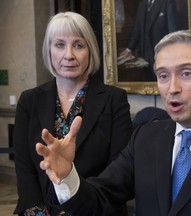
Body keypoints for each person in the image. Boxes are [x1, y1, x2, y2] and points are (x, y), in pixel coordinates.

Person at [36, 30, 191, 215]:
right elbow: (98, 199)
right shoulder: (145, 138)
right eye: (163, 76)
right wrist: (67, 175)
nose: (172, 89)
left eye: (186, 74)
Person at [13, 12, 132, 216]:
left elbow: (118, 171)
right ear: (49, 50)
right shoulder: (29, 100)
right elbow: (24, 169)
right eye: (59, 44)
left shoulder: (114, 100)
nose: (69, 55)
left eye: (78, 45)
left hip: (96, 210)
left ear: (91, 50)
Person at [118, 0, 178, 81]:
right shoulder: (142, 5)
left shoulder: (167, 2)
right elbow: (137, 29)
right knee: (147, 79)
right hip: (144, 53)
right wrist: (129, 49)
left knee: (161, 79)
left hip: (161, 52)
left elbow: (172, 31)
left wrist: (171, 52)